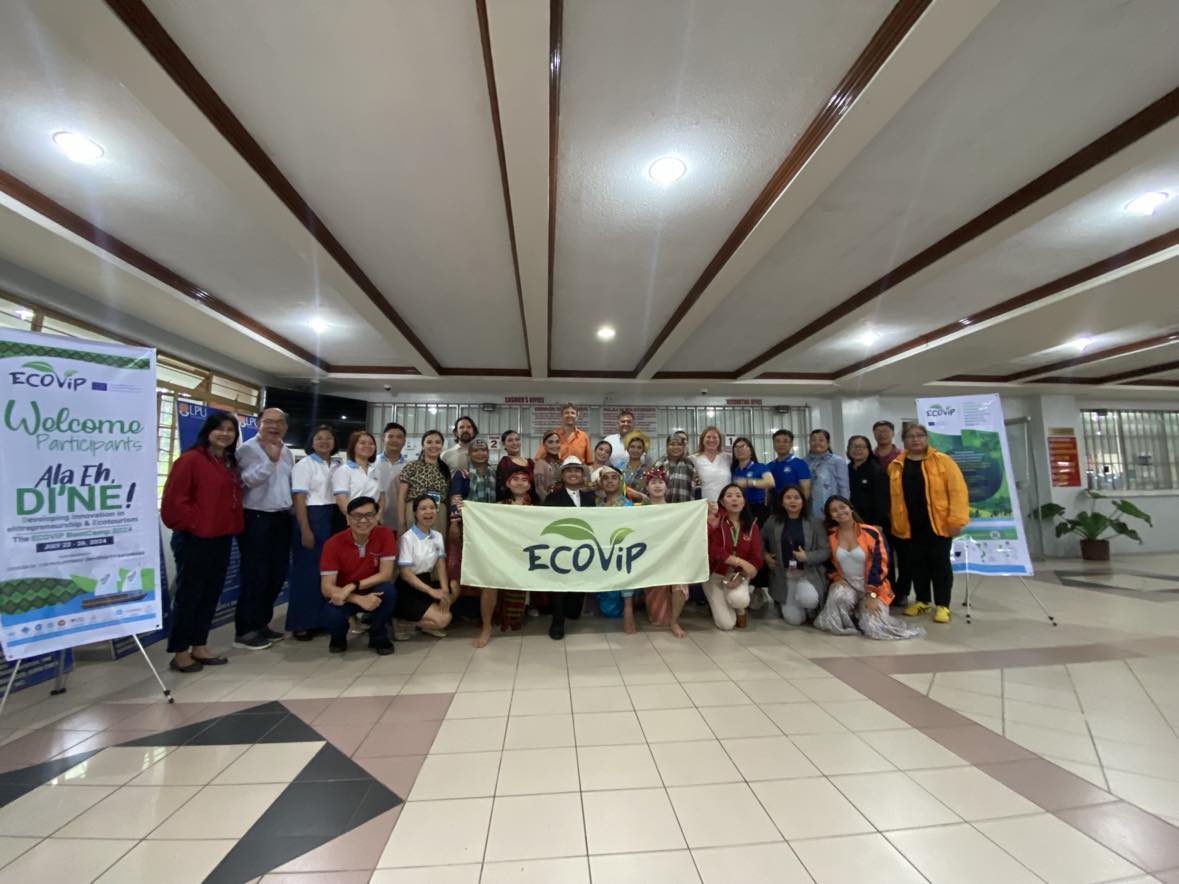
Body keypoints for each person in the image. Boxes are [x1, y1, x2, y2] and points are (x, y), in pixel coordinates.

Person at [160, 411, 243, 672]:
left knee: (210, 594)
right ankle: (180, 651)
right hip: (194, 539)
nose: (225, 434)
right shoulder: (190, 460)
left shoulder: (228, 463)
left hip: (221, 537)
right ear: (208, 431)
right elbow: (174, 503)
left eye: (230, 430)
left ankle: (200, 644)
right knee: (189, 595)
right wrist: (197, 525)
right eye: (220, 429)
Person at [889, 424, 969, 624]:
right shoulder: (896, 464)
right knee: (917, 565)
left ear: (926, 438)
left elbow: (958, 492)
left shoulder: (943, 461)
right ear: (904, 440)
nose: (915, 440)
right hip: (909, 526)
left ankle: (943, 605)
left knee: (940, 565)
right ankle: (923, 600)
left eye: (919, 436)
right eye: (910, 436)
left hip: (938, 524)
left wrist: (956, 520)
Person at [814, 497, 924, 641]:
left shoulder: (871, 532)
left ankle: (864, 616)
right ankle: (853, 620)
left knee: (875, 628)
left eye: (842, 507)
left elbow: (882, 564)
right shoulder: (830, 535)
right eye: (834, 510)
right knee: (838, 596)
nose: (839, 512)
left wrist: (872, 594)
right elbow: (827, 560)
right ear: (830, 516)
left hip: (874, 587)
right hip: (847, 583)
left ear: (850, 508)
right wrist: (835, 576)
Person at [233, 406, 294, 650]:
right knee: (255, 575)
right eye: (268, 421)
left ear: (285, 427)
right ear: (258, 423)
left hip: (281, 518)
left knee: (276, 574)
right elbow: (246, 480)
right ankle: (245, 630)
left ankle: (261, 623)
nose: (274, 426)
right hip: (256, 518)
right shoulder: (247, 449)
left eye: (279, 422)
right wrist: (270, 460)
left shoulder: (287, 451)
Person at [319, 496, 398, 655]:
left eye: (369, 515)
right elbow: (326, 588)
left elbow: (386, 574)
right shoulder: (333, 544)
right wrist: (357, 598)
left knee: (388, 591)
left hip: (369, 589)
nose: (363, 520)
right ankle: (338, 636)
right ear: (348, 518)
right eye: (357, 516)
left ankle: (377, 634)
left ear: (376, 517)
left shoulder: (385, 534)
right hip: (344, 595)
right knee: (332, 612)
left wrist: (353, 585)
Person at [288, 424, 337, 640]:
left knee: (328, 572)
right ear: (312, 442)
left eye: (328, 438)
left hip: (333, 516)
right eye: (319, 438)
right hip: (311, 518)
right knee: (307, 572)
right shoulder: (304, 465)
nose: (324, 442)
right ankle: (302, 622)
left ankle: (323, 619)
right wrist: (305, 529)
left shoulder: (337, 465)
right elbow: (298, 498)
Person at [477, 463, 534, 646]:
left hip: (527, 556)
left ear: (530, 485)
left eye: (524, 480)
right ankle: (486, 627)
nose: (519, 483)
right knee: (489, 584)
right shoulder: (498, 507)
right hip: (502, 553)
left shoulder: (538, 508)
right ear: (508, 484)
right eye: (515, 479)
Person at [542, 455, 595, 640]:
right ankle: (557, 622)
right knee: (559, 584)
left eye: (577, 470)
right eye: (569, 471)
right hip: (560, 549)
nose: (573, 474)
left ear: (582, 474)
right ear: (562, 475)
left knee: (574, 609)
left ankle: (568, 611)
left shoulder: (590, 498)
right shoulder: (553, 497)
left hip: (583, 550)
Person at [447, 438, 497, 630]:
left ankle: (482, 614)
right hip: (468, 527)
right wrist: (454, 522)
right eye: (476, 450)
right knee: (465, 568)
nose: (480, 454)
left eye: (484, 450)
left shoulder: (494, 473)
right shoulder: (463, 474)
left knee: (486, 569)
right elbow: (456, 497)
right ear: (469, 454)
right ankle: (461, 611)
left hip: (490, 528)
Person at [761, 485, 829, 625]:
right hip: (784, 576)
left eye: (796, 498)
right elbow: (758, 540)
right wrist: (765, 555)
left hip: (807, 574)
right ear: (782, 501)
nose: (793, 501)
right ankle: (785, 602)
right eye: (788, 497)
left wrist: (807, 557)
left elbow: (825, 551)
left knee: (809, 600)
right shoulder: (773, 521)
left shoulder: (815, 523)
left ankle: (809, 606)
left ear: (803, 501)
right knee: (794, 620)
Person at [395, 495, 459, 638]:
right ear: (415, 513)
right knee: (444, 619)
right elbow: (405, 574)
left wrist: (444, 590)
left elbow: (440, 564)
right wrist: (432, 592)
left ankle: (427, 620)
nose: (429, 512)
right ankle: (403, 621)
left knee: (453, 587)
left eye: (432, 508)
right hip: (409, 586)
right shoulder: (407, 538)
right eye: (423, 508)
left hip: (426, 580)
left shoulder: (437, 536)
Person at [704, 484, 762, 631]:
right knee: (726, 625)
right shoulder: (715, 521)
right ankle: (720, 601)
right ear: (722, 502)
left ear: (743, 501)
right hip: (715, 575)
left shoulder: (752, 525)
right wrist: (739, 561)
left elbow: (756, 559)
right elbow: (711, 549)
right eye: (729, 496)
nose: (734, 499)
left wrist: (742, 576)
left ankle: (740, 608)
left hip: (736, 575)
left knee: (740, 600)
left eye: (738, 495)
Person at [641, 467, 689, 637]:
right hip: (650, 559)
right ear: (647, 487)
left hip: (672, 557)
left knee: (680, 583)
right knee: (658, 621)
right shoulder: (640, 511)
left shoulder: (677, 509)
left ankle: (675, 621)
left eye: (661, 482)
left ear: (666, 486)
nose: (657, 486)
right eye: (653, 482)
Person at [596, 466, 639, 634]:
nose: (610, 481)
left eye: (614, 477)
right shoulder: (596, 505)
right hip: (603, 554)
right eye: (605, 478)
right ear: (600, 483)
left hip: (624, 551)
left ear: (620, 481)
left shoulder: (628, 505)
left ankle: (629, 607)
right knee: (609, 610)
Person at [397, 430, 451, 534]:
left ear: (442, 445)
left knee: (436, 547)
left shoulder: (445, 469)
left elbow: (448, 497)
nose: (433, 445)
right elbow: (401, 497)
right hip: (414, 512)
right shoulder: (411, 466)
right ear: (422, 445)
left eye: (437, 442)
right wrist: (401, 522)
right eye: (429, 442)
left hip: (439, 513)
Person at [333, 429, 385, 520]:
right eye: (362, 443)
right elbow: (341, 500)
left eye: (371, 443)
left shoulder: (376, 471)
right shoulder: (343, 470)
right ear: (353, 446)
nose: (367, 446)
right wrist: (355, 519)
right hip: (351, 520)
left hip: (371, 519)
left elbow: (381, 497)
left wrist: (377, 516)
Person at [847, 435, 890, 531]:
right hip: (850, 520)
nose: (857, 450)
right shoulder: (846, 469)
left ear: (868, 450)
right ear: (848, 450)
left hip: (872, 522)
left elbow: (882, 500)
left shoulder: (877, 470)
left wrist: (878, 523)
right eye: (854, 446)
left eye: (861, 447)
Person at [805, 429, 850, 519]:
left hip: (833, 508)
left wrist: (843, 507)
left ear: (828, 443)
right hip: (809, 508)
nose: (817, 443)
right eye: (813, 440)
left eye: (821, 440)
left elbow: (844, 487)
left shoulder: (837, 461)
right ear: (809, 443)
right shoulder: (803, 462)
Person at [729, 436, 774, 523]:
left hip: (756, 508)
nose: (739, 449)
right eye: (736, 447)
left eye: (743, 446)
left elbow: (770, 482)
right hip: (737, 508)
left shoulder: (760, 467)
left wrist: (748, 482)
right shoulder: (733, 470)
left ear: (751, 450)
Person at [376, 421, 408, 531]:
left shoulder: (409, 467)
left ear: (404, 441)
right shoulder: (371, 463)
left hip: (400, 522)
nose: (395, 440)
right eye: (390, 436)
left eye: (399, 437)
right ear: (383, 439)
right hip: (373, 521)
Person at [691, 425, 732, 503]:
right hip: (704, 505)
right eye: (708, 437)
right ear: (702, 440)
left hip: (726, 504)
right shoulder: (693, 459)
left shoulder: (727, 458)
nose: (711, 440)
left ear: (719, 440)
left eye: (715, 437)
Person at [767, 429, 811, 501]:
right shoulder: (769, 466)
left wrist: (801, 506)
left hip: (794, 504)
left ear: (791, 444)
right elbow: (767, 492)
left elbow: (805, 490)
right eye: (777, 441)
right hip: (774, 506)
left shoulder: (800, 464)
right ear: (773, 444)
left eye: (785, 441)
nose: (781, 444)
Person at [655, 433, 700, 503]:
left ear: (683, 447)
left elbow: (697, 488)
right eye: (672, 444)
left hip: (686, 508)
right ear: (667, 446)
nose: (676, 447)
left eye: (679, 444)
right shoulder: (659, 465)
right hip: (663, 508)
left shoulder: (689, 464)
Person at [495, 429, 533, 499]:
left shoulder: (530, 462)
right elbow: (500, 487)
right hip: (511, 503)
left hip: (530, 502)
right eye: (510, 440)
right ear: (504, 444)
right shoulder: (505, 462)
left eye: (517, 439)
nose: (514, 443)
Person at [620, 430, 653, 503]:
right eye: (632, 447)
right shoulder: (620, 468)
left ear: (643, 450)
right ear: (627, 449)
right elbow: (616, 488)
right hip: (624, 506)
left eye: (639, 447)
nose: (635, 450)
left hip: (644, 506)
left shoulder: (649, 469)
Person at [532, 430, 563, 502]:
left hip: (565, 504)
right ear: (544, 445)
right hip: (549, 506)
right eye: (550, 442)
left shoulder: (563, 463)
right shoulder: (540, 463)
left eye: (557, 442)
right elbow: (539, 489)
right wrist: (548, 504)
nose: (554, 445)